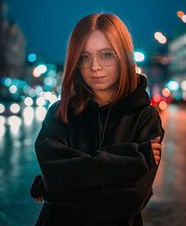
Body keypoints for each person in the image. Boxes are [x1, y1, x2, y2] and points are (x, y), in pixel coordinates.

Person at [30, 13, 164, 226]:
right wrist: (132, 158)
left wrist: (52, 187)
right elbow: (55, 183)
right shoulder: (60, 113)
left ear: (123, 56)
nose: (94, 66)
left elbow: (129, 200)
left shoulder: (145, 118)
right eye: (84, 56)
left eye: (106, 55)